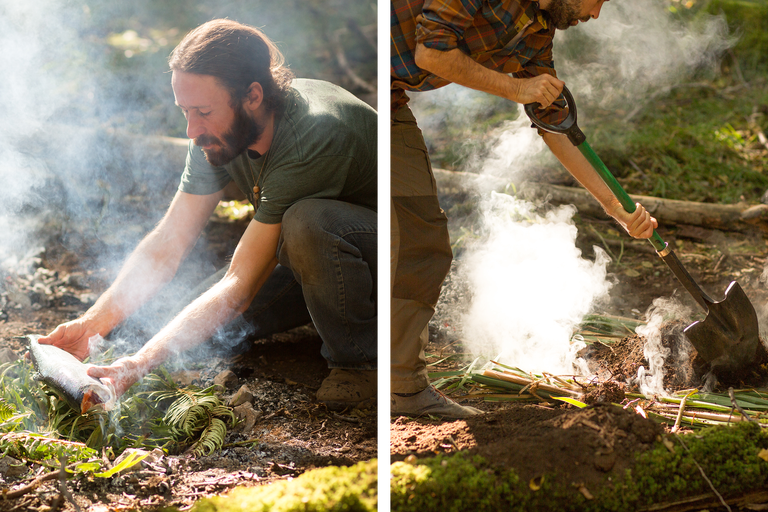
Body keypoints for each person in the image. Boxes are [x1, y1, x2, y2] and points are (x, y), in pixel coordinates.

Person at [39, 19, 380, 411]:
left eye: (202, 111)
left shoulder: (310, 139)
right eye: (185, 110)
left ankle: (361, 361)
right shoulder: (218, 133)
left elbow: (238, 286)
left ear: (252, 95)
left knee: (307, 222)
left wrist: (140, 363)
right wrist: (92, 324)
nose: (191, 129)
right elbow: (168, 242)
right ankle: (329, 313)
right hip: (312, 257)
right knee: (185, 325)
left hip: (386, 257)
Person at [388, 0, 658, 418]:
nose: (596, 15)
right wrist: (517, 89)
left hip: (390, 99)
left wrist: (615, 208)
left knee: (417, 239)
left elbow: (555, 124)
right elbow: (431, 52)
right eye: (598, 0)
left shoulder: (537, 32)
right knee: (396, 231)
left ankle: (401, 388)